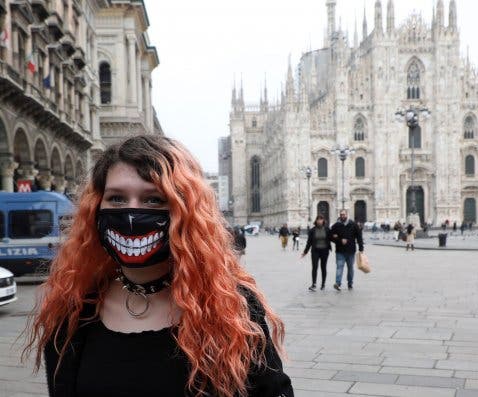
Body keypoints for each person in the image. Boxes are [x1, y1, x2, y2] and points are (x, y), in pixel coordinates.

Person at [23, 136, 293, 397]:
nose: (131, 214)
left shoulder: (233, 307)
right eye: (117, 198)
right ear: (95, 208)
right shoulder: (72, 311)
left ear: (185, 211)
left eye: (153, 199)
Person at [330, 209, 364, 291]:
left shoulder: (353, 224)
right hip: (340, 251)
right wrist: (339, 240)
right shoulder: (336, 226)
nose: (342, 216)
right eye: (341, 214)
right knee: (339, 267)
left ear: (347, 215)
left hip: (350, 251)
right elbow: (330, 236)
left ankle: (350, 283)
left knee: (350, 268)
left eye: (344, 214)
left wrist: (361, 248)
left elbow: (359, 236)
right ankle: (338, 284)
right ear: (339, 215)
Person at [301, 215, 332, 291]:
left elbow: (331, 238)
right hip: (315, 251)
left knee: (323, 267)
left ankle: (323, 284)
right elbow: (309, 242)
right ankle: (314, 284)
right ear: (316, 221)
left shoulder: (327, 229)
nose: (319, 221)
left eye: (321, 219)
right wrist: (305, 251)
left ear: (323, 221)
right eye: (318, 219)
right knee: (314, 267)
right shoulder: (312, 230)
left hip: (325, 251)